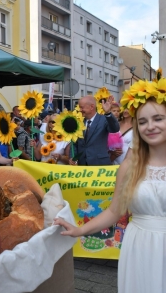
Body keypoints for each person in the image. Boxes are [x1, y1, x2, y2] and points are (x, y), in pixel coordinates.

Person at [54, 84, 166, 292]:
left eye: (158, 118)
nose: (150, 126)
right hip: (139, 247)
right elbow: (115, 210)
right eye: (142, 121)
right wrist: (80, 230)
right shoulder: (130, 165)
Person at [70, 95, 119, 165]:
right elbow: (74, 143)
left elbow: (115, 129)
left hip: (99, 165)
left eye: (81, 107)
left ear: (92, 107)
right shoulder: (79, 122)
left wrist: (108, 113)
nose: (80, 110)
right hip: (82, 166)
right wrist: (72, 157)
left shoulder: (104, 119)